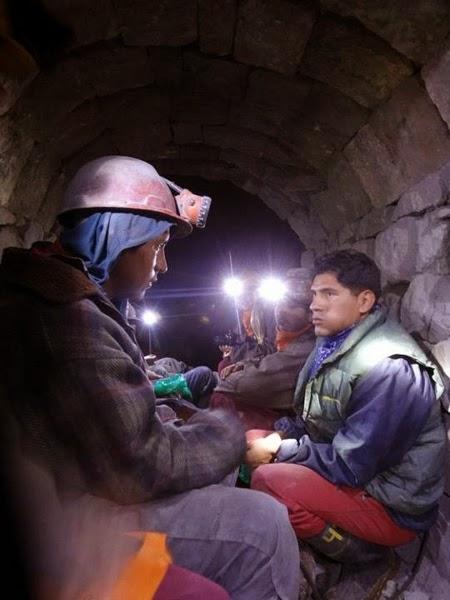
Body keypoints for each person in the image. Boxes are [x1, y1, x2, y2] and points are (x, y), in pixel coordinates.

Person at [0, 155, 300, 599]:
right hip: (66, 516)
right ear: (117, 236)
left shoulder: (56, 293)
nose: (162, 267)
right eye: (157, 246)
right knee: (263, 527)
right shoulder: (68, 315)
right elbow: (139, 466)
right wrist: (227, 433)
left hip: (60, 489)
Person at [247, 250, 446, 563]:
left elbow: (353, 465)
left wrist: (284, 449)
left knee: (269, 480)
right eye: (314, 294)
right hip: (356, 472)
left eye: (329, 294)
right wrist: (280, 436)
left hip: (391, 504)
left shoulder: (390, 368)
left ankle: (362, 555)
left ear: (364, 301)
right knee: (250, 440)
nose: (314, 304)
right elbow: (316, 419)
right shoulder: (334, 344)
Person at [211, 268, 316, 430]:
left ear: (312, 313)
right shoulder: (286, 331)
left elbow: (236, 385)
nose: (280, 310)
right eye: (279, 302)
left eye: (292, 306)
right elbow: (270, 352)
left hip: (295, 423)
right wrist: (246, 364)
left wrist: (238, 366)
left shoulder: (306, 346)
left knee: (223, 394)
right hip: (264, 374)